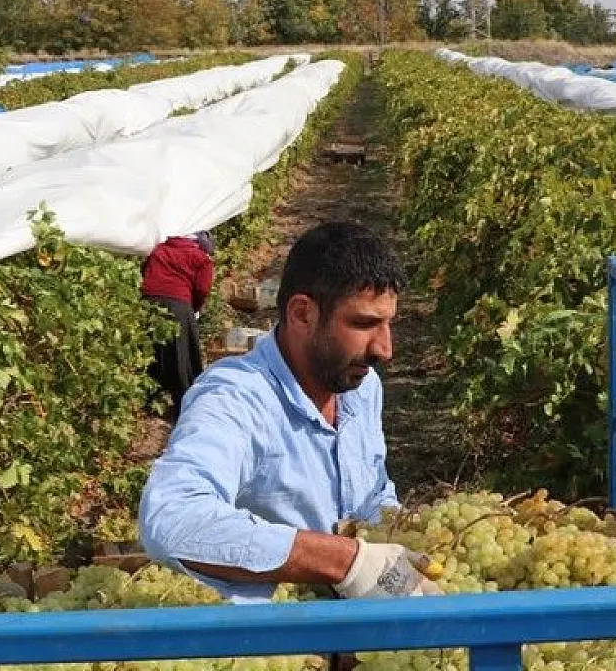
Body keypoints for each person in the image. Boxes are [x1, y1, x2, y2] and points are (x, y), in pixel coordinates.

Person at [138, 221, 442, 603]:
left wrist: (403, 535)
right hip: (286, 643)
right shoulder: (236, 397)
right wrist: (342, 561)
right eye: (364, 323)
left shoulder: (362, 387)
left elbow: (374, 497)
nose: (385, 349)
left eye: (388, 324)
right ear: (302, 314)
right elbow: (171, 517)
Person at [139, 230, 216, 414]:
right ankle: (184, 402)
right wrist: (193, 308)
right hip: (179, 304)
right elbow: (202, 289)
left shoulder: (159, 250)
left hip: (150, 302)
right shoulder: (201, 259)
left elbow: (145, 272)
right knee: (181, 354)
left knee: (152, 350)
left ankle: (147, 398)